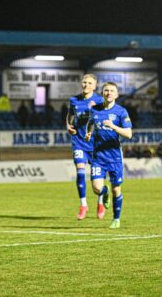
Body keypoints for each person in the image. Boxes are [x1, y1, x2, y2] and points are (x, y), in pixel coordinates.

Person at [85, 82, 133, 229]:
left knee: (116, 188)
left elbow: (129, 134)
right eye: (106, 90)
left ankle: (116, 219)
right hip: (98, 156)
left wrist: (113, 126)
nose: (109, 93)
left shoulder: (121, 112)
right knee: (96, 189)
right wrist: (89, 133)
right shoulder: (95, 110)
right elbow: (90, 124)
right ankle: (103, 193)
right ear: (102, 93)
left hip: (114, 157)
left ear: (116, 95)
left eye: (112, 91)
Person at [66, 74, 104, 220]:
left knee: (97, 183)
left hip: (95, 144)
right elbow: (69, 115)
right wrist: (68, 127)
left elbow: (102, 120)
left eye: (89, 83)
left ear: (94, 86)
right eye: (84, 82)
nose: (86, 85)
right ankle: (83, 205)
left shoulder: (100, 101)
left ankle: (100, 201)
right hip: (79, 142)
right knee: (80, 172)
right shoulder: (74, 100)